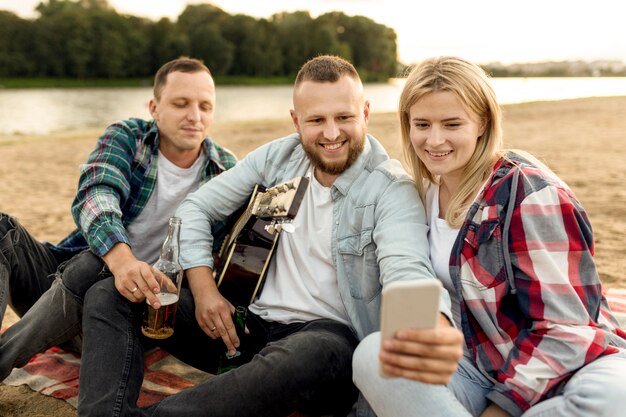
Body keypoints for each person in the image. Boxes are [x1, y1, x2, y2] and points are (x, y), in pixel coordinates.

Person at [75, 55, 463, 417]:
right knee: (109, 294)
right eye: (316, 121)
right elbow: (196, 208)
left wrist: (425, 325)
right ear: (296, 121)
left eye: (344, 117)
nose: (331, 133)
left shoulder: (390, 189)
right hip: (244, 327)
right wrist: (206, 290)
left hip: (323, 344)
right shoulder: (279, 156)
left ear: (365, 113)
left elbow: (406, 270)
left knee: (310, 353)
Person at [352, 56, 626, 417]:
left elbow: (567, 329)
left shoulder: (527, 191)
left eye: (452, 124)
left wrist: (500, 410)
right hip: (480, 369)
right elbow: (415, 290)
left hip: (569, 365)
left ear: (482, 122)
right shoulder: (420, 197)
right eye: (422, 124)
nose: (434, 140)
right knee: (374, 356)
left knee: (611, 398)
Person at [0, 56, 236, 381]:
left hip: (127, 314)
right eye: (181, 104)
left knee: (93, 269)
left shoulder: (225, 171)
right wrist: (122, 261)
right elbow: (97, 192)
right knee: (6, 230)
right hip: (60, 288)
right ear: (154, 107)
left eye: (205, 106)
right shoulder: (129, 137)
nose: (195, 117)